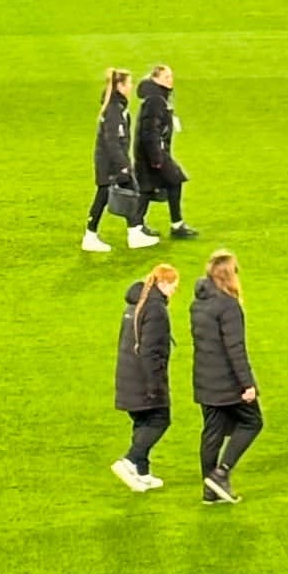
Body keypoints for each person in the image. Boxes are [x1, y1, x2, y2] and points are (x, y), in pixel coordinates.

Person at [191, 250, 263, 504]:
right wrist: (247, 384)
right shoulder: (228, 306)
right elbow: (235, 348)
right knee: (253, 422)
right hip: (226, 381)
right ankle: (221, 473)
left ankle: (210, 490)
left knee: (212, 432)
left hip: (204, 379)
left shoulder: (199, 302)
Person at [112, 262, 179, 492]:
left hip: (127, 376)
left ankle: (142, 473)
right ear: (162, 283)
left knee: (142, 422)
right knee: (160, 420)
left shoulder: (134, 305)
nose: (173, 293)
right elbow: (151, 351)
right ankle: (130, 460)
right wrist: (155, 386)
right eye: (173, 287)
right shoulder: (156, 309)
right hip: (144, 379)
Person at [84, 69, 156, 253]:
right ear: (120, 86)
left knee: (126, 191)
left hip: (111, 160)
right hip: (111, 162)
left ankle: (134, 232)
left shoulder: (117, 106)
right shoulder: (114, 109)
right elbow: (112, 140)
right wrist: (123, 164)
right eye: (128, 83)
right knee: (106, 195)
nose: (131, 86)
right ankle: (93, 236)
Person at [134, 65, 198, 241]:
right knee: (171, 180)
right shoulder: (156, 100)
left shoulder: (158, 97)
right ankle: (173, 225)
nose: (171, 79)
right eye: (166, 76)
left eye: (171, 76)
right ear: (155, 79)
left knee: (149, 187)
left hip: (152, 151)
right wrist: (156, 158)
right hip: (154, 152)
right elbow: (150, 131)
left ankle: (138, 226)